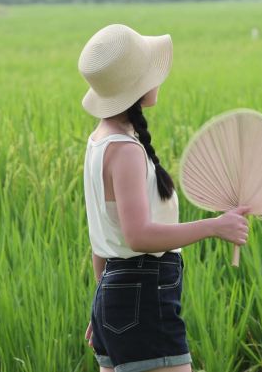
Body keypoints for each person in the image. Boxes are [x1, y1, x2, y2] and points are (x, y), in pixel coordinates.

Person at [78, 24, 251, 372]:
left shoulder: (100, 141)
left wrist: (107, 304)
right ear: (137, 87)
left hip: (118, 298)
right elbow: (138, 236)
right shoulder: (125, 150)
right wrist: (215, 226)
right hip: (142, 299)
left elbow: (102, 239)